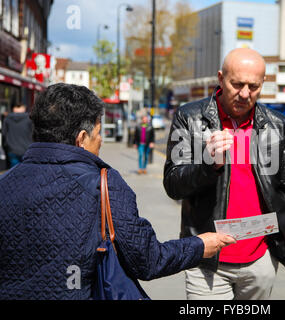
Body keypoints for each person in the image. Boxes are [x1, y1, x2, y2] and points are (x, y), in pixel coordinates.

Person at [0, 83, 235, 300]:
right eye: (99, 133)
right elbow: (147, 260)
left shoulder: (5, 183)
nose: (101, 141)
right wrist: (199, 246)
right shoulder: (102, 183)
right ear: (81, 138)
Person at [164, 48, 285, 300]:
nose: (245, 94)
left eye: (254, 86)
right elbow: (173, 184)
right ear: (220, 78)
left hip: (260, 260)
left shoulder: (278, 125)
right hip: (207, 260)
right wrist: (208, 164)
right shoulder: (189, 118)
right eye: (236, 84)